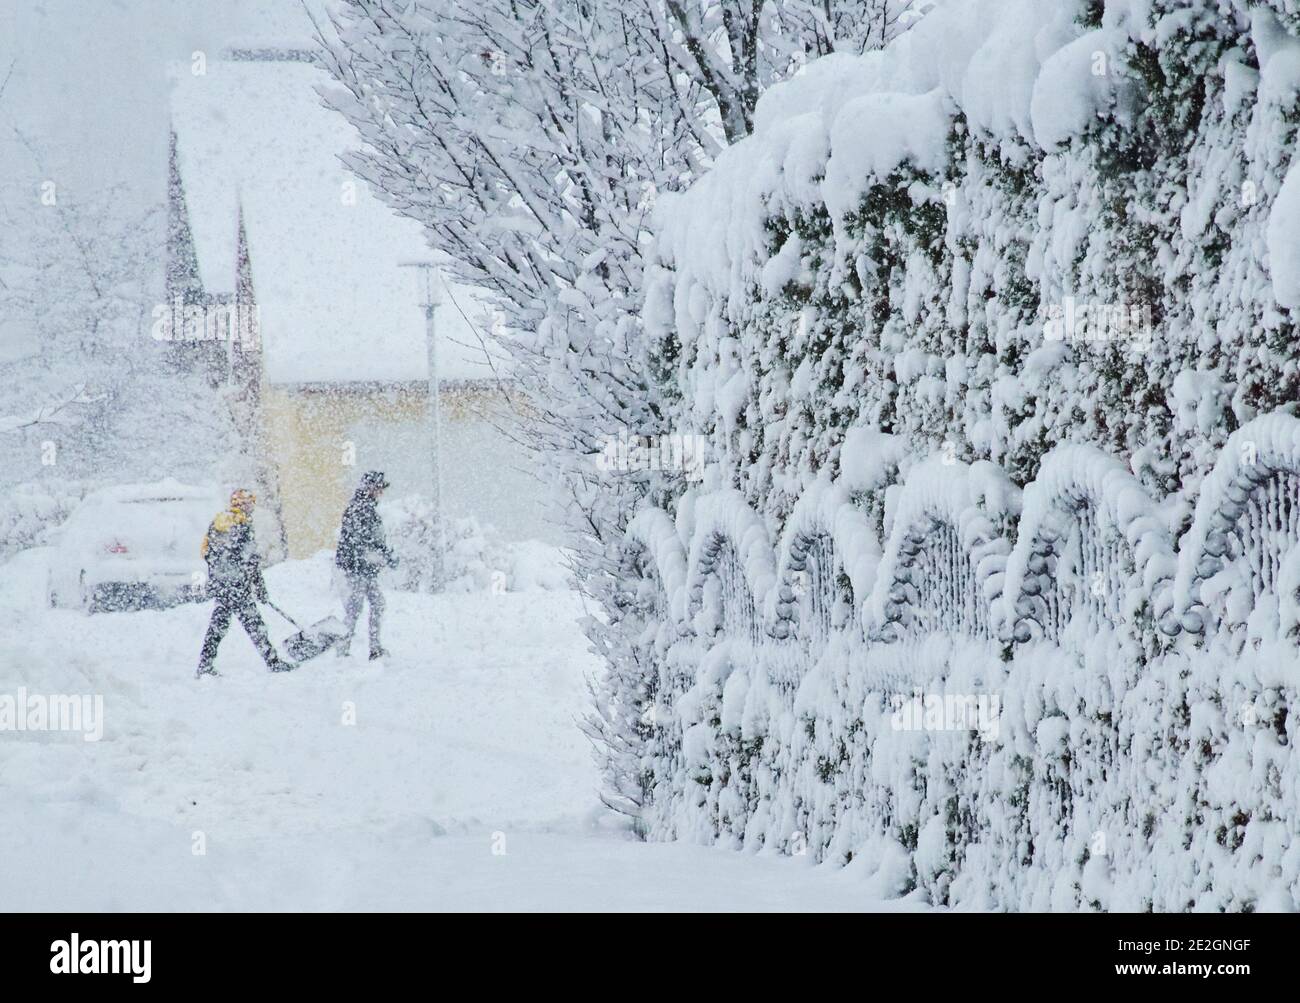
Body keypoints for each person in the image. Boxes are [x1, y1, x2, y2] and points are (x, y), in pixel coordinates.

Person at [196, 489, 296, 676]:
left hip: (221, 583)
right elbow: (250, 561)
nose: (252, 507)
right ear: (243, 504)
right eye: (250, 503)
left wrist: (219, 576)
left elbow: (205, 552)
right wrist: (259, 587)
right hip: (237, 585)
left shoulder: (218, 521)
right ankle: (273, 662)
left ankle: (204, 664)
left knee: (219, 625)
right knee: (254, 624)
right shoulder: (242, 525)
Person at [335, 470, 397, 660]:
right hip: (356, 569)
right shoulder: (359, 509)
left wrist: (384, 555)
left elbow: (370, 539)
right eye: (379, 488)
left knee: (376, 604)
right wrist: (381, 554)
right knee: (355, 609)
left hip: (365, 569)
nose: (381, 492)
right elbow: (361, 541)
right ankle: (343, 650)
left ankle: (374, 648)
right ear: (370, 488)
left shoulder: (366, 508)